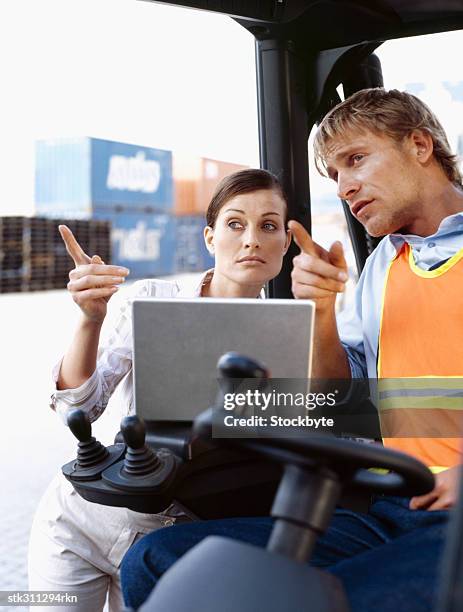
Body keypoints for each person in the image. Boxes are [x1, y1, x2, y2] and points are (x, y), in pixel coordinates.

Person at [120, 88, 463, 612]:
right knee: (156, 560)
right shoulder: (384, 265)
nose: (346, 187)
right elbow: (339, 400)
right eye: (334, 176)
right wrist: (322, 313)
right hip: (387, 505)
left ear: (419, 145)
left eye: (356, 160)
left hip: (454, 516)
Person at [27, 168, 292, 612]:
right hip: (80, 519)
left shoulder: (293, 339)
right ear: (209, 238)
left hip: (168, 543)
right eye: (234, 223)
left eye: (268, 226)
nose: (251, 240)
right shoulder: (150, 298)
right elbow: (81, 407)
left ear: (285, 242)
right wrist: (90, 319)